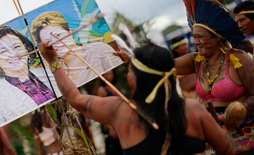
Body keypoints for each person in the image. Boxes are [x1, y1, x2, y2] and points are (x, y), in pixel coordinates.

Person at [39, 41, 236, 154]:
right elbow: (229, 150)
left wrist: (53, 62)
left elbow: (74, 97)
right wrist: (222, 130)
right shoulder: (192, 109)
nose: (127, 74)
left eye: (130, 70)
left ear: (137, 79)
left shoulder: (119, 110)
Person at [174, 0, 254, 154]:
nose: (196, 42)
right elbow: (161, 65)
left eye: (201, 37)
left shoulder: (238, 58)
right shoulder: (196, 62)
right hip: (219, 142)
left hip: (248, 141)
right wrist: (131, 57)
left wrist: (231, 116)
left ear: (217, 36)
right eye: (194, 37)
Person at [0, 26, 59, 132]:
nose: (13, 54)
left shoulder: (49, 72)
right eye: (3, 52)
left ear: (26, 49)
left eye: (16, 47)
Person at [31, 11, 123, 86]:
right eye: (48, 41)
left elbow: (121, 79)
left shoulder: (100, 49)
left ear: (70, 31)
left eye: (58, 35)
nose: (56, 42)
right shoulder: (56, 71)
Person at [96, 70, 123, 155]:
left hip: (121, 120)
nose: (109, 76)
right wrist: (109, 127)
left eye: (110, 74)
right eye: (106, 74)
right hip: (111, 122)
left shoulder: (115, 86)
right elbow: (102, 110)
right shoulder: (102, 89)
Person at [169, 36, 201, 102]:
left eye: (186, 44)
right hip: (189, 95)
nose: (186, 47)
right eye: (183, 45)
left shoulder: (194, 57)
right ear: (176, 49)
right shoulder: (174, 65)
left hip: (202, 90)